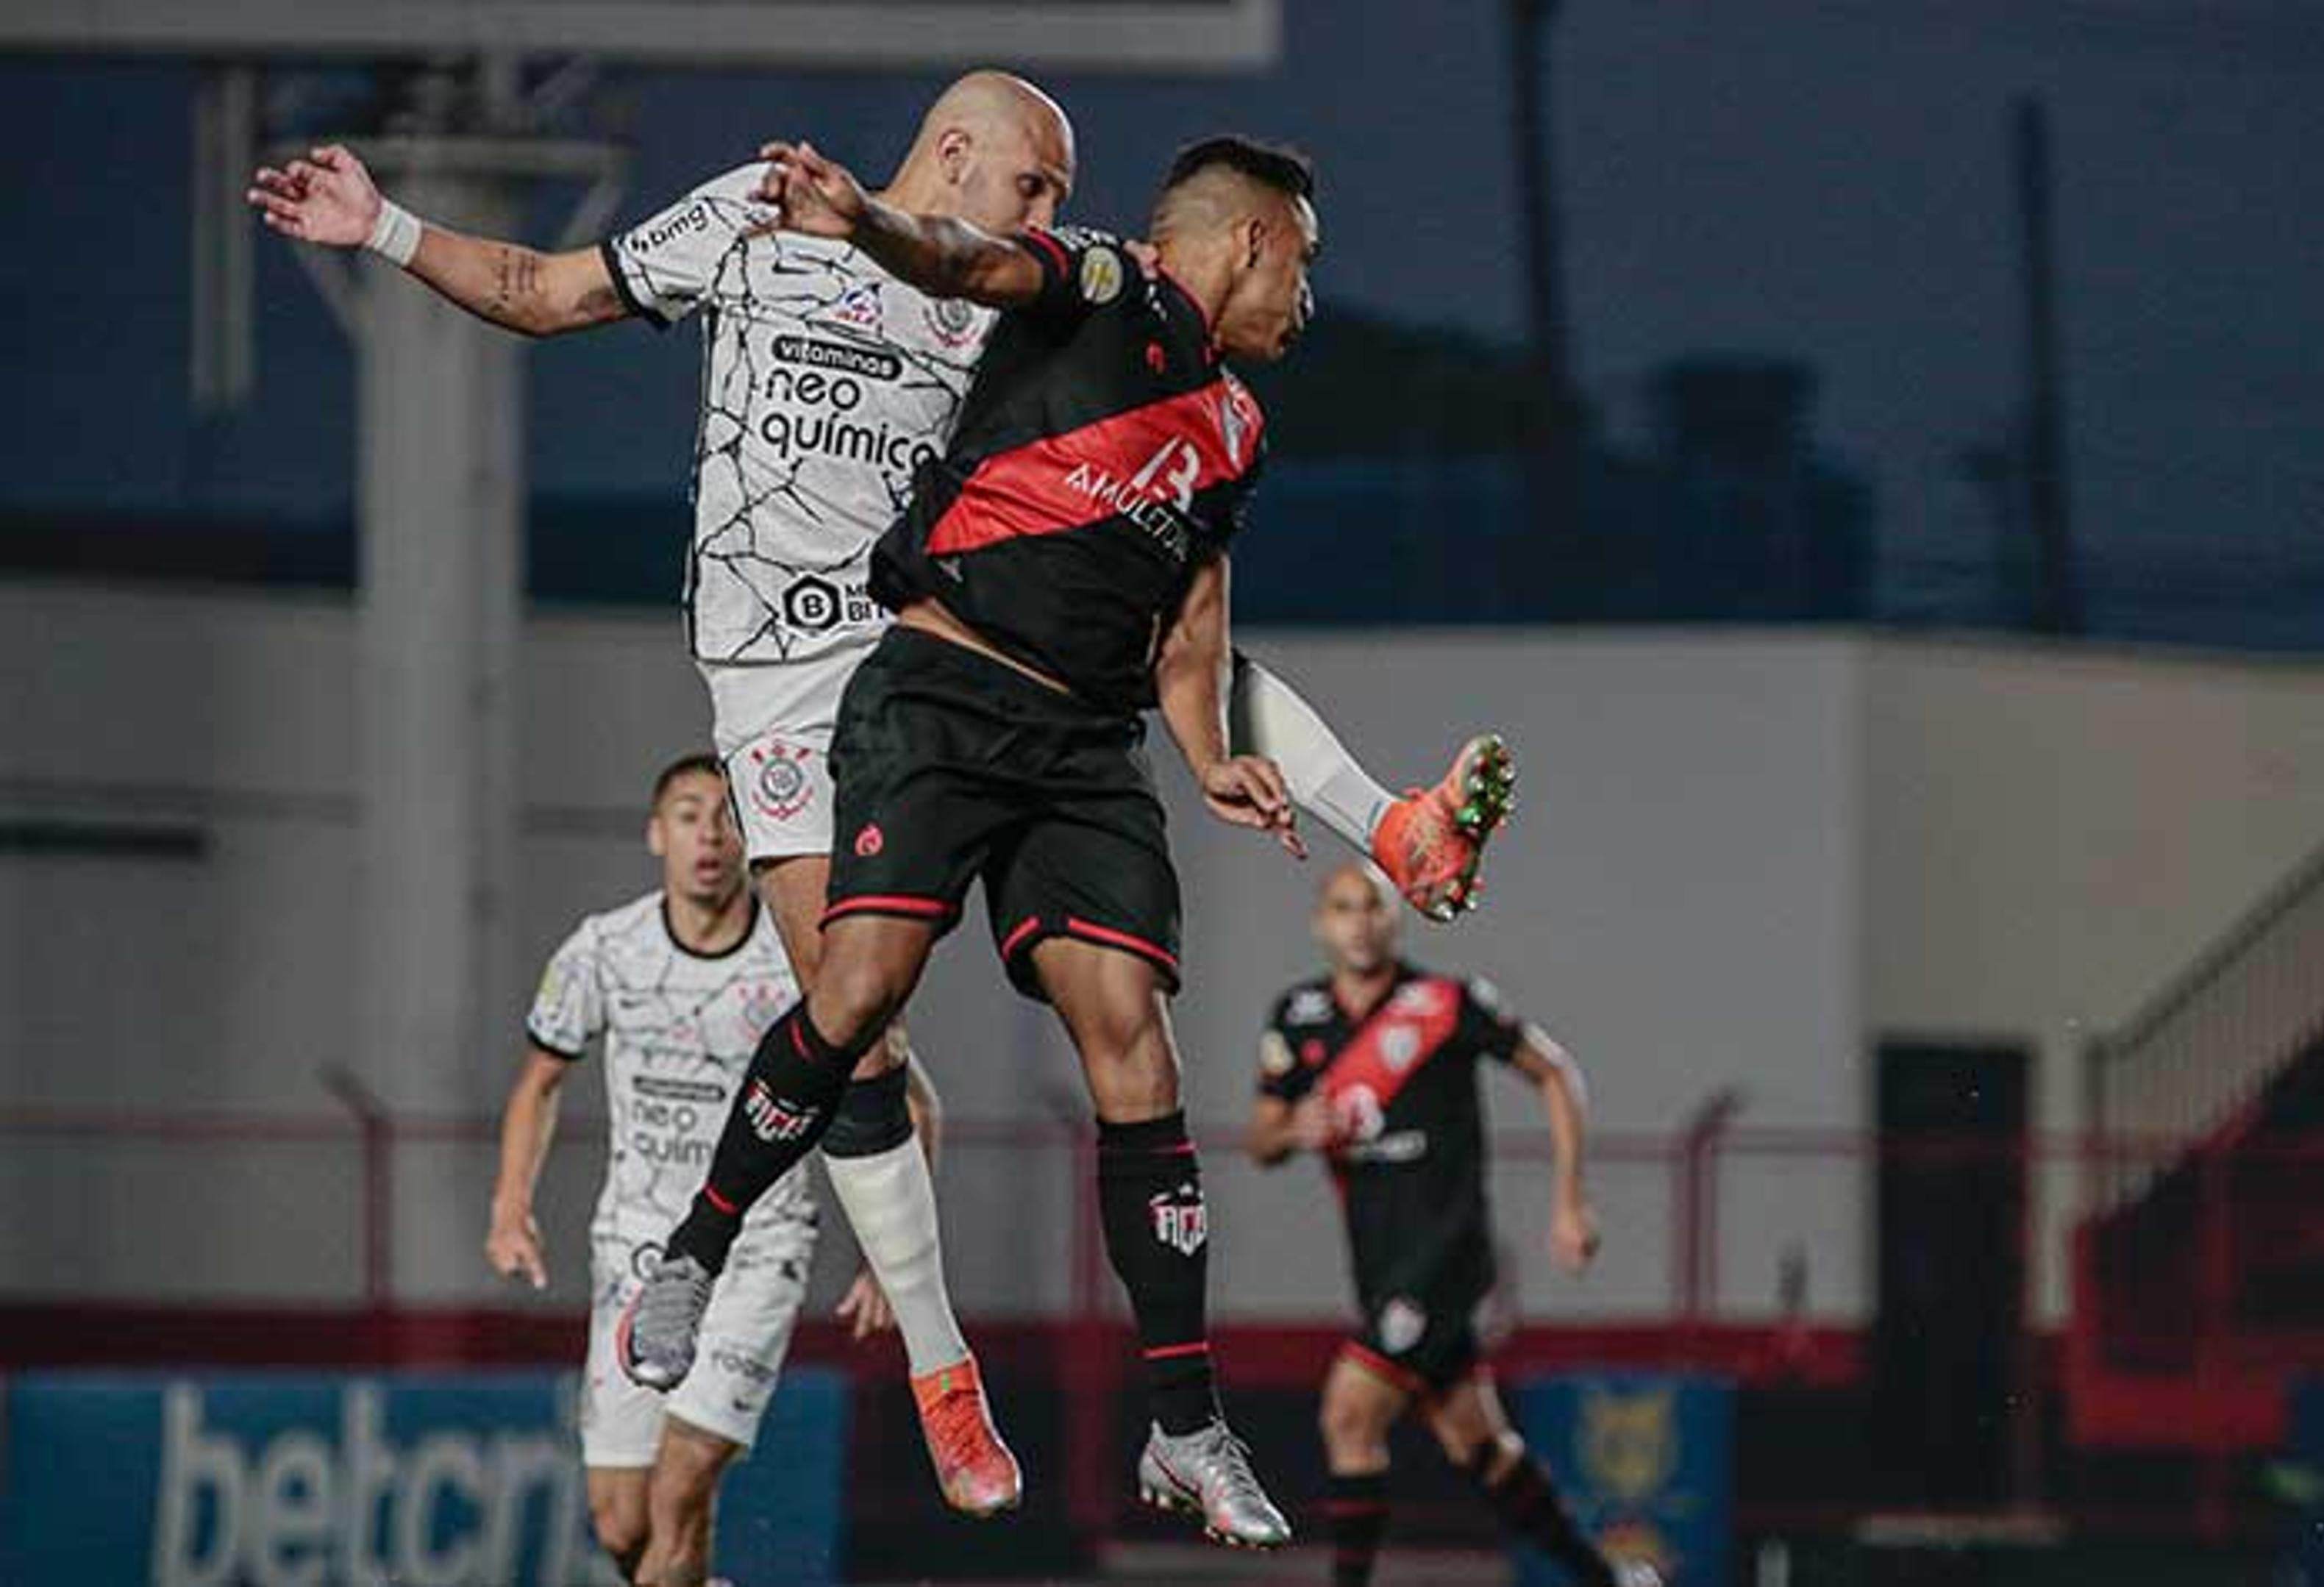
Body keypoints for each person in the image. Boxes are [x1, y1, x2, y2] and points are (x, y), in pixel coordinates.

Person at [246, 71, 1505, 1513]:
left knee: (1135, 619)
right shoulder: (756, 219)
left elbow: (1016, 313)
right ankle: (937, 1354)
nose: (1050, 210)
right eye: (1033, 182)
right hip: (778, 675)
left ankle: (1391, 827)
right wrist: (385, 225)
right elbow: (541, 286)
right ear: (955, 149)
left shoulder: (1022, 290)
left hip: (937, 628)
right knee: (854, 1009)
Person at [623, 131, 1355, 1549]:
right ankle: (693, 1254)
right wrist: (866, 225)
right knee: (860, 992)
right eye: (1305, 266)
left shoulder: (1237, 431)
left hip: (1085, 751)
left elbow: (1192, 626)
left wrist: (1209, 758)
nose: (1307, 304)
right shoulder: (1101, 286)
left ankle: (1187, 1426)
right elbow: (966, 256)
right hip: (944, 694)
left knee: (1133, 1041)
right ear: (1254, 239)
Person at [485, 753, 915, 1585]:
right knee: (621, 1520)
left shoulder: (803, 959)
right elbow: (539, 1081)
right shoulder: (605, 950)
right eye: (688, 814)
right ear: (657, 834)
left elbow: (910, 1099)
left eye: (726, 815)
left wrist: (893, 1256)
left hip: (760, 1248)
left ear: (751, 836)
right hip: (636, 1248)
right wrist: (511, 1205)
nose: (709, 835)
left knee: (683, 1486)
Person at [1249, 865, 1659, 1587]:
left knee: (1349, 1414)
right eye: (1343, 908)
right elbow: (1261, 1138)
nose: (1360, 921)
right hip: (1379, 1263)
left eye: (1373, 905)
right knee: (1479, 1442)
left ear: (1395, 919)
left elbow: (1556, 1074)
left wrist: (1570, 1200)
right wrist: (1292, 1129)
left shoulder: (1444, 1004)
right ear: (1321, 923)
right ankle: (1607, 1579)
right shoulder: (1299, 1015)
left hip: (1447, 1252)